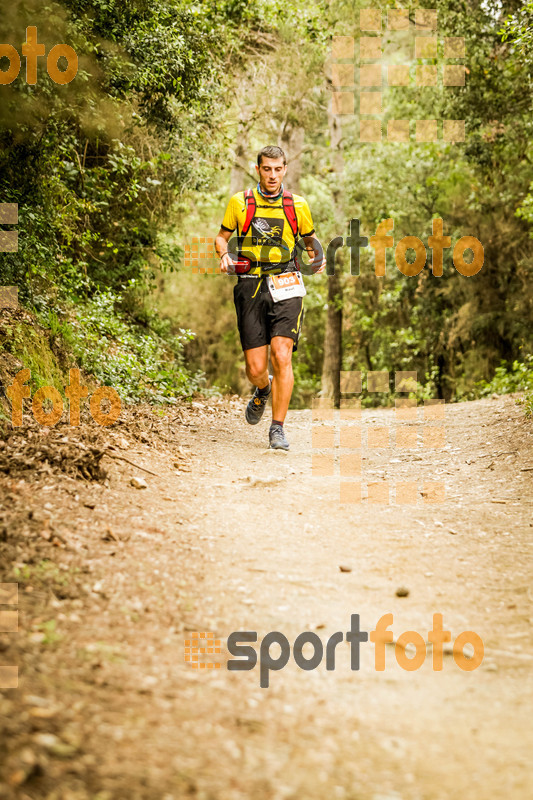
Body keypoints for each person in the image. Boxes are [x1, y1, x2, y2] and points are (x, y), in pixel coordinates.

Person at [215, 145, 325, 451]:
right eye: (267, 169)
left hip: (286, 282)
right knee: (255, 367)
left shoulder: (297, 205)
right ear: (258, 169)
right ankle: (263, 389)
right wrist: (223, 255)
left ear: (285, 169)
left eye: (278, 169)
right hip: (249, 283)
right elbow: (222, 237)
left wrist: (318, 257)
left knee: (282, 354)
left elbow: (310, 242)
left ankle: (277, 428)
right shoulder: (240, 202)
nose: (272, 175)